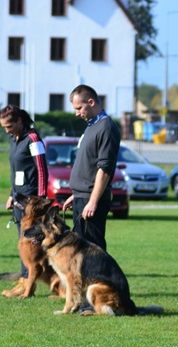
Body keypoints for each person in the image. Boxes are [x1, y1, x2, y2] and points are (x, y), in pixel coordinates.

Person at [62, 84, 119, 251]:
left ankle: (101, 278)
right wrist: (76, 194)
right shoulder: (91, 126)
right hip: (82, 197)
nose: (76, 113)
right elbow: (89, 165)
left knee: (93, 249)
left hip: (91, 200)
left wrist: (92, 201)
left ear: (91, 102)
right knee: (80, 249)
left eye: (79, 108)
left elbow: (104, 170)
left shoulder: (106, 127)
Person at [0, 105, 49, 280]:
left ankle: (31, 278)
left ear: (19, 121)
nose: (7, 131)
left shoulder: (33, 139)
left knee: (33, 241)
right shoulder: (14, 140)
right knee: (23, 239)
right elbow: (15, 171)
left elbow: (42, 169)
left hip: (32, 201)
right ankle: (24, 276)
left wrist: (41, 200)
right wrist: (10, 195)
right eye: (4, 127)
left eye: (9, 126)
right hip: (19, 199)